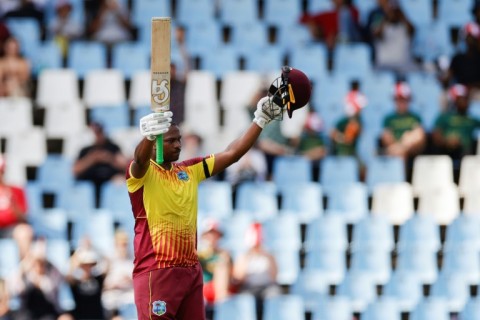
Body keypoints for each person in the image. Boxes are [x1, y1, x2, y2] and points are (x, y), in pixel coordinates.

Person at [126, 66, 311, 319]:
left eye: (180, 139)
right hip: (157, 271)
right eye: (171, 141)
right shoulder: (143, 176)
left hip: (190, 270)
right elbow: (138, 161)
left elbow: (232, 153)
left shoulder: (189, 170)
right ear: (158, 142)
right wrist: (147, 138)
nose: (179, 145)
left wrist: (260, 121)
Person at [9, 239, 70, 320]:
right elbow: (16, 289)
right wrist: (24, 266)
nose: (38, 266)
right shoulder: (24, 272)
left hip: (47, 312)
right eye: (36, 263)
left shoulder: (52, 271)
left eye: (41, 263)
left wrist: (41, 282)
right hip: (27, 312)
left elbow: (52, 291)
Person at [73, 122, 128, 207]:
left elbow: (125, 167)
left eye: (100, 132)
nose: (98, 135)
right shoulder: (85, 150)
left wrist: (110, 159)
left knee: (120, 182)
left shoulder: (113, 147)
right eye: (96, 132)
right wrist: (92, 159)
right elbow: (75, 170)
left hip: (110, 183)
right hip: (90, 184)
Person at [233, 222, 281, 319]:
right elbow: (238, 277)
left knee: (274, 295)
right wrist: (247, 259)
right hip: (249, 287)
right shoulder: (243, 256)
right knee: (244, 299)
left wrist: (267, 257)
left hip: (267, 287)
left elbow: (274, 277)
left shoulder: (269, 256)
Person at [432, 83, 480, 165]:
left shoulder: (472, 119)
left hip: (467, 152)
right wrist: (447, 141)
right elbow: (436, 135)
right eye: (461, 98)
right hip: (447, 151)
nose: (464, 101)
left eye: (465, 98)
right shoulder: (444, 117)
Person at [380, 82, 426, 161]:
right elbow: (386, 137)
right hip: (394, 149)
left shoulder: (415, 117)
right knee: (399, 151)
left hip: (411, 149)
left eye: (404, 99)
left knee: (410, 137)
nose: (402, 102)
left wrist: (404, 144)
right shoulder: (388, 118)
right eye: (399, 99)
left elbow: (420, 137)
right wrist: (400, 146)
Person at [367, 0, 416, 74]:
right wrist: (387, 15)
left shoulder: (404, 27)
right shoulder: (382, 25)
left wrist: (400, 14)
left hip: (403, 65)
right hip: (383, 65)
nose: (393, 13)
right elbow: (375, 35)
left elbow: (412, 31)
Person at [197, 220, 234, 318]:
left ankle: (221, 306)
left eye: (215, 235)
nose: (212, 238)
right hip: (203, 288)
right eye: (209, 234)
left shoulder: (225, 254)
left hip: (220, 290)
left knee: (222, 266)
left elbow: (233, 274)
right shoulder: (199, 255)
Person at [66, 244, 108, 320]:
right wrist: (78, 253)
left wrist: (93, 248)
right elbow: (69, 273)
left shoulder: (98, 279)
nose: (87, 268)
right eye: (84, 265)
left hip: (98, 317)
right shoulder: (76, 283)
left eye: (90, 265)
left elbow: (107, 263)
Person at [441, 22, 480, 99]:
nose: (469, 40)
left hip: (476, 91)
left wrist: (471, 87)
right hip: (460, 91)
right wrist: (444, 79)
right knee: (444, 96)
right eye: (467, 37)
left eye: (472, 37)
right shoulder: (457, 58)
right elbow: (448, 77)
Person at [102, 229, 134, 319]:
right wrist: (115, 284)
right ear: (116, 244)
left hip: (129, 294)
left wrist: (129, 280)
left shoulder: (133, 259)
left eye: (126, 244)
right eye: (122, 244)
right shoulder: (108, 259)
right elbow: (103, 283)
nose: (124, 246)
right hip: (113, 295)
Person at [330, 87, 366, 156]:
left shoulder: (359, 121)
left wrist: (340, 137)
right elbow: (332, 134)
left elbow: (350, 138)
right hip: (341, 152)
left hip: (351, 153)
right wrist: (341, 138)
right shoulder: (343, 121)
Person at [0, 155, 28, 238]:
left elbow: (23, 219)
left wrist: (14, 204)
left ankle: (27, 252)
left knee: (24, 232)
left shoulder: (15, 190)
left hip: (11, 229)